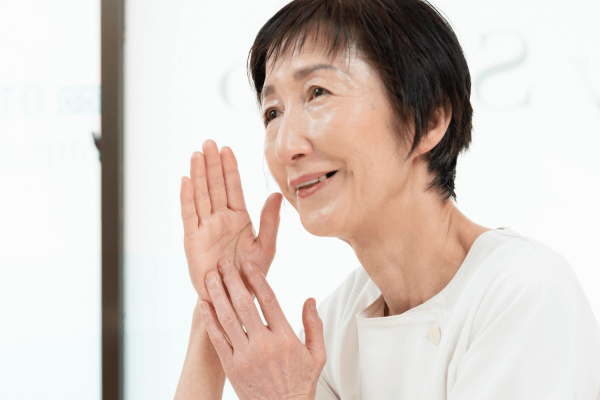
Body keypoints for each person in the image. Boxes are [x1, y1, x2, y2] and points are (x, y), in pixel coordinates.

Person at [174, 0, 600, 399]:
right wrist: (217, 296)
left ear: (428, 119)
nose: (285, 147)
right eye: (273, 113)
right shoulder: (340, 321)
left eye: (318, 92)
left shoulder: (524, 291)